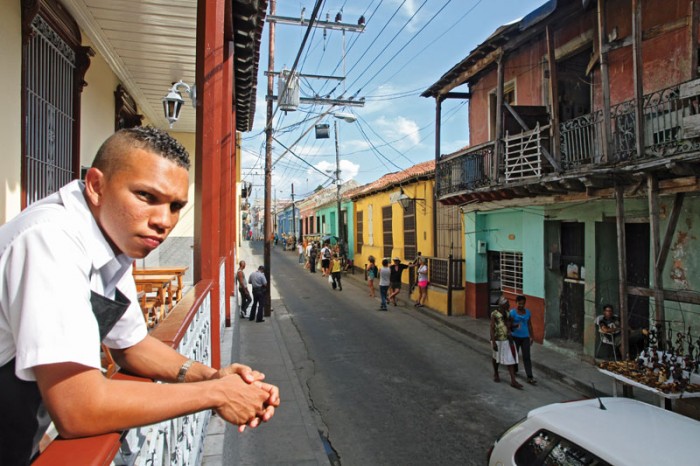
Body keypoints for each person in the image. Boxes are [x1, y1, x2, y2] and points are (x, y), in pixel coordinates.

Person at [0, 126, 279, 465]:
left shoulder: (109, 241)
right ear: (96, 185)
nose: (164, 221)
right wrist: (215, 394)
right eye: (146, 196)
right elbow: (78, 409)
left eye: (176, 206)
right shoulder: (50, 241)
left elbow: (131, 345)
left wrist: (212, 376)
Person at [491, 297, 522, 389]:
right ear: (502, 305)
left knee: (510, 359)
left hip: (507, 339)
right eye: (507, 303)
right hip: (497, 339)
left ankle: (513, 380)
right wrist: (493, 342)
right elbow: (492, 328)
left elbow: (509, 326)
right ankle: (496, 373)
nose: (509, 305)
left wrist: (514, 326)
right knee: (496, 357)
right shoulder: (495, 314)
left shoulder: (508, 314)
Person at [510, 295, 537, 385]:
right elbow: (509, 325)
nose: (521, 305)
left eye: (523, 304)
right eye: (519, 303)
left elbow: (529, 325)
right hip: (515, 337)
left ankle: (530, 376)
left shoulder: (528, 313)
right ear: (516, 302)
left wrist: (532, 336)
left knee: (527, 357)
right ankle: (514, 369)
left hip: (525, 337)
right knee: (515, 355)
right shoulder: (512, 313)